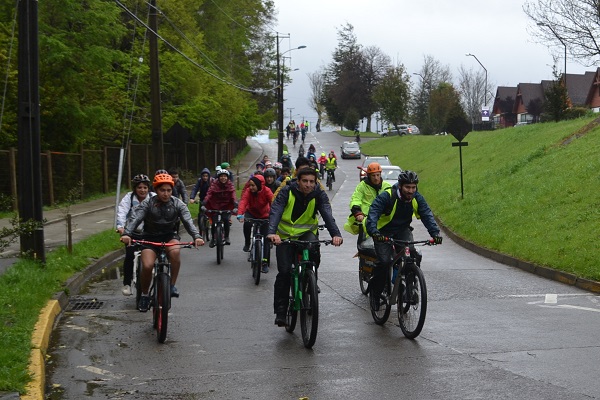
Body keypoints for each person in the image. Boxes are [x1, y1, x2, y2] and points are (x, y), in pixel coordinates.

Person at [267, 167, 343, 326]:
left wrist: (335, 234)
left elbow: (327, 214)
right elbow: (276, 211)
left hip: (307, 233)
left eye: (312, 182)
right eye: (305, 181)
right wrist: (272, 232)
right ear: (298, 181)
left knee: (314, 252)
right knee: (285, 272)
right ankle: (281, 311)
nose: (308, 185)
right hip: (284, 237)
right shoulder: (286, 192)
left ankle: (310, 279)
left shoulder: (319, 194)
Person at [120, 172, 204, 312]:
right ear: (156, 190)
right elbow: (135, 219)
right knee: (147, 265)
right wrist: (127, 233)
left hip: (169, 236)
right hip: (150, 237)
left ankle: (171, 286)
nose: (165, 193)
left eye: (169, 190)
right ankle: (145, 295)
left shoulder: (178, 203)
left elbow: (188, 222)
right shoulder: (147, 203)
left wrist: (197, 236)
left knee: (175, 253)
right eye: (162, 190)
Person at [366, 170, 443, 310]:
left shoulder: (416, 197)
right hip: (383, 232)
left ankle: (409, 290)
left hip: (402, 230)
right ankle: (375, 294)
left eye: (413, 187)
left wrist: (435, 233)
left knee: (412, 254)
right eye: (408, 187)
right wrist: (374, 232)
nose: (411, 191)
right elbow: (373, 213)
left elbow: (426, 214)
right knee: (384, 262)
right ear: (400, 186)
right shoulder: (387, 196)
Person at [116, 174, 154, 296]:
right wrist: (121, 228)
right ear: (134, 188)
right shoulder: (129, 197)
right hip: (133, 232)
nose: (142, 190)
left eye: (145, 187)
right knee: (129, 254)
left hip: (150, 232)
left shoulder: (154, 197)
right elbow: (122, 212)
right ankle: (127, 284)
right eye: (139, 187)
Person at [237, 174, 274, 273]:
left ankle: (265, 262)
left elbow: (273, 203)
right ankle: (247, 242)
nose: (251, 187)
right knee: (247, 224)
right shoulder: (248, 191)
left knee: (266, 238)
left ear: (259, 185)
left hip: (264, 215)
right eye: (250, 185)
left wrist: (274, 216)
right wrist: (240, 214)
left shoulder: (267, 191)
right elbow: (243, 201)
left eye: (253, 185)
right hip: (251, 212)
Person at [343, 162, 391, 236]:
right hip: (365, 220)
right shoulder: (362, 186)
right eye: (373, 175)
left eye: (378, 175)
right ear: (369, 176)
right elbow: (356, 199)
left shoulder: (387, 186)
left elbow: (393, 201)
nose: (376, 178)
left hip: (382, 220)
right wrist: (358, 213)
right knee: (363, 245)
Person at [202, 169, 237, 247]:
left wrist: (235, 204)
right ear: (218, 177)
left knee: (226, 220)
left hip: (226, 206)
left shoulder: (230, 185)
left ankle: (227, 237)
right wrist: (204, 203)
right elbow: (209, 194)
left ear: (227, 178)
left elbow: (233, 195)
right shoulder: (214, 184)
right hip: (215, 205)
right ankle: (213, 239)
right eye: (221, 176)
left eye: (225, 176)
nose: (223, 178)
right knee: (214, 222)